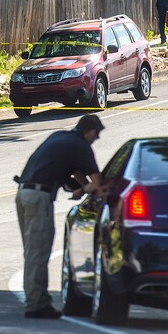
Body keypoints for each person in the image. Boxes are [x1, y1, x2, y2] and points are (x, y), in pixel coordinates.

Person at [15, 114, 105, 319]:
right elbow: (97, 183)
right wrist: (85, 190)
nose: (97, 138)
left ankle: (36, 300)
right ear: (90, 131)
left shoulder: (60, 137)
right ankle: (36, 305)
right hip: (39, 197)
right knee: (38, 251)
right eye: (97, 134)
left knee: (32, 250)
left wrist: (80, 186)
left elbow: (71, 174)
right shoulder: (81, 146)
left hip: (23, 194)